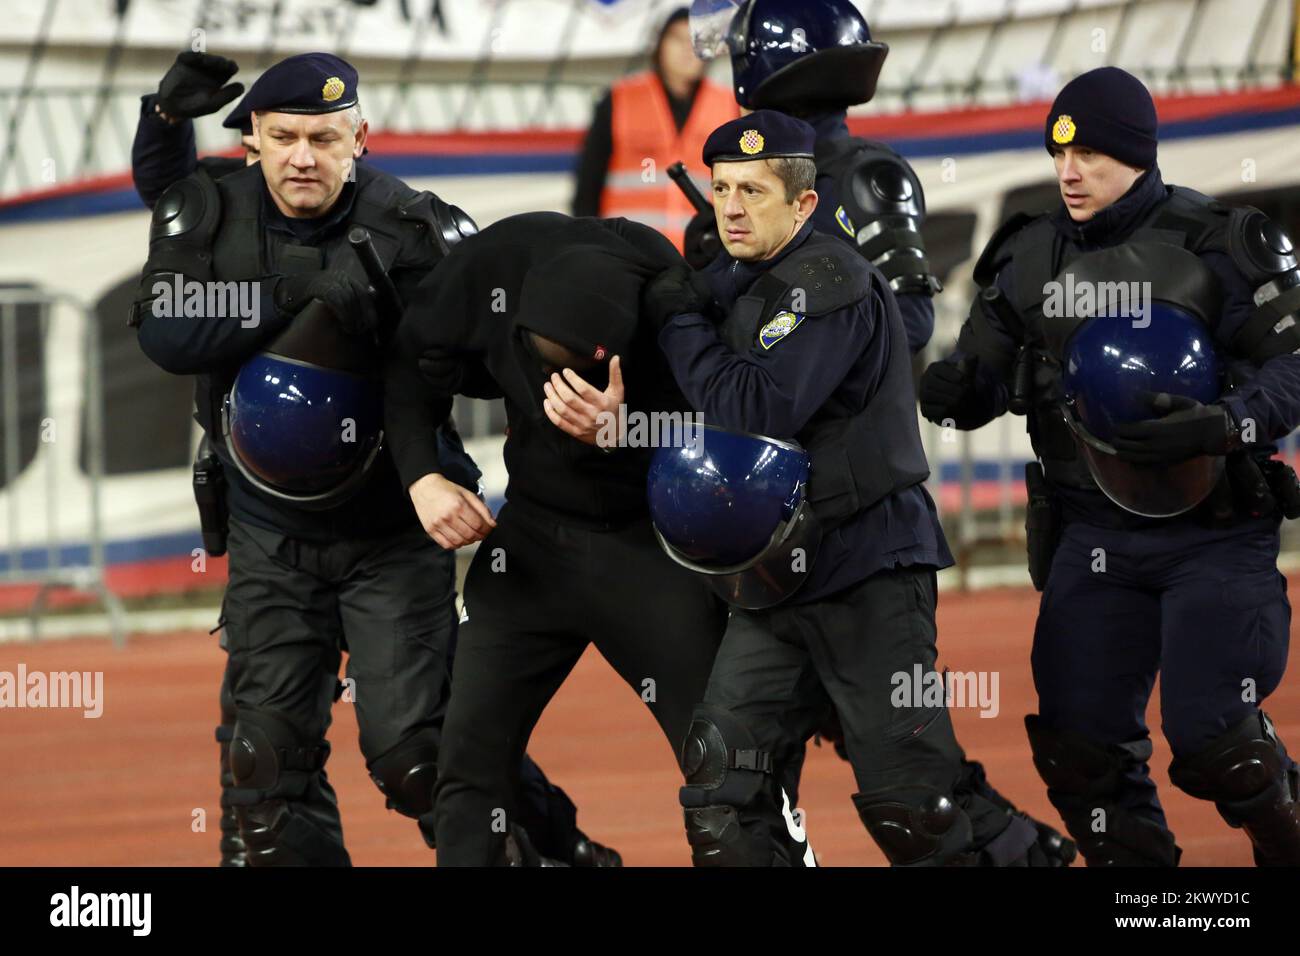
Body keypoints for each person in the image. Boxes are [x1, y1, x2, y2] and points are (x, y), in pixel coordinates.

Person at [130, 53, 615, 867]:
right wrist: (295, 297)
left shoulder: (416, 229)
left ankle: (559, 853)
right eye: (284, 137)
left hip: (392, 527)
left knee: (418, 756)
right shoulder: (210, 210)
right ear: (251, 138)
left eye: (324, 139)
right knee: (265, 767)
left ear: (359, 139)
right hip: (268, 529)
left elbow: (490, 368)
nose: (303, 157)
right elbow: (168, 331)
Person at [641, 110, 1056, 866]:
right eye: (722, 189)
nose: (730, 208)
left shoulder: (829, 280)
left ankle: (1024, 855)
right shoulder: (734, 280)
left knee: (913, 806)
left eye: (753, 192)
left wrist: (677, 323)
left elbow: (751, 408)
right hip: (770, 581)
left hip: (868, 568)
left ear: (803, 204)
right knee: (721, 793)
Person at [919, 66, 1300, 866]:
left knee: (1216, 741)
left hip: (1212, 532)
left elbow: (1292, 363)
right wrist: (953, 392)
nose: (1069, 171)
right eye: (1060, 153)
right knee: (1081, 752)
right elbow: (978, 379)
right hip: (1092, 535)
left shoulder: (1220, 242)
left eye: (1090, 154)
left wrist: (1229, 420)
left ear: (1138, 153)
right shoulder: (1029, 255)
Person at [384, 211, 758, 866]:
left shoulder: (673, 301)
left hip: (648, 549)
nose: (562, 392)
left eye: (582, 373)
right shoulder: (490, 266)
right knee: (464, 770)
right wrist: (423, 478)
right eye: (544, 365)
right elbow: (408, 362)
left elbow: (730, 436)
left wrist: (627, 428)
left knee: (727, 767)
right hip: (530, 543)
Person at [571, 6, 736, 251]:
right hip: (627, 254)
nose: (687, 49)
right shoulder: (620, 99)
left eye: (695, 41)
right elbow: (588, 184)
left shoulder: (729, 105)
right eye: (677, 39)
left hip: (701, 255)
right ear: (659, 45)